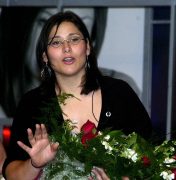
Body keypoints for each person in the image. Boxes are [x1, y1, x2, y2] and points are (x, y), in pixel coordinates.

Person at [2, 11, 152, 179]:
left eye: (74, 39)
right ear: (45, 56)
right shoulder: (32, 103)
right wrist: (34, 164)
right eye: (56, 42)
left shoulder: (119, 92)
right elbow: (11, 174)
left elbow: (151, 156)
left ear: (87, 47)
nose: (67, 48)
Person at [0, 7, 141, 119]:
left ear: (90, 42)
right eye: (44, 21)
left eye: (75, 33)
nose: (65, 48)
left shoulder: (119, 91)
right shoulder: (25, 102)